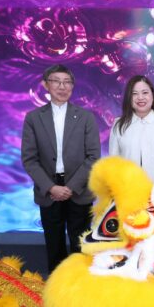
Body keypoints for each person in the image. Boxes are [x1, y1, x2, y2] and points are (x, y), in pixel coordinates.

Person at [21, 64, 101, 272]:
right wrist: (50, 187)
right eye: (56, 81)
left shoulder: (85, 117)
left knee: (81, 245)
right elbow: (29, 159)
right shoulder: (33, 118)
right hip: (49, 190)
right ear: (45, 85)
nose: (62, 86)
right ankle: (57, 288)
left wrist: (71, 187)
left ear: (73, 87)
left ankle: (80, 288)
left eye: (67, 82)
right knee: (54, 244)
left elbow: (93, 156)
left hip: (79, 188)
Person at [108, 75, 154, 181]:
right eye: (134, 94)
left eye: (145, 93)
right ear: (129, 98)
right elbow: (113, 163)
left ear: (152, 95)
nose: (140, 97)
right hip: (127, 190)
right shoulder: (119, 124)